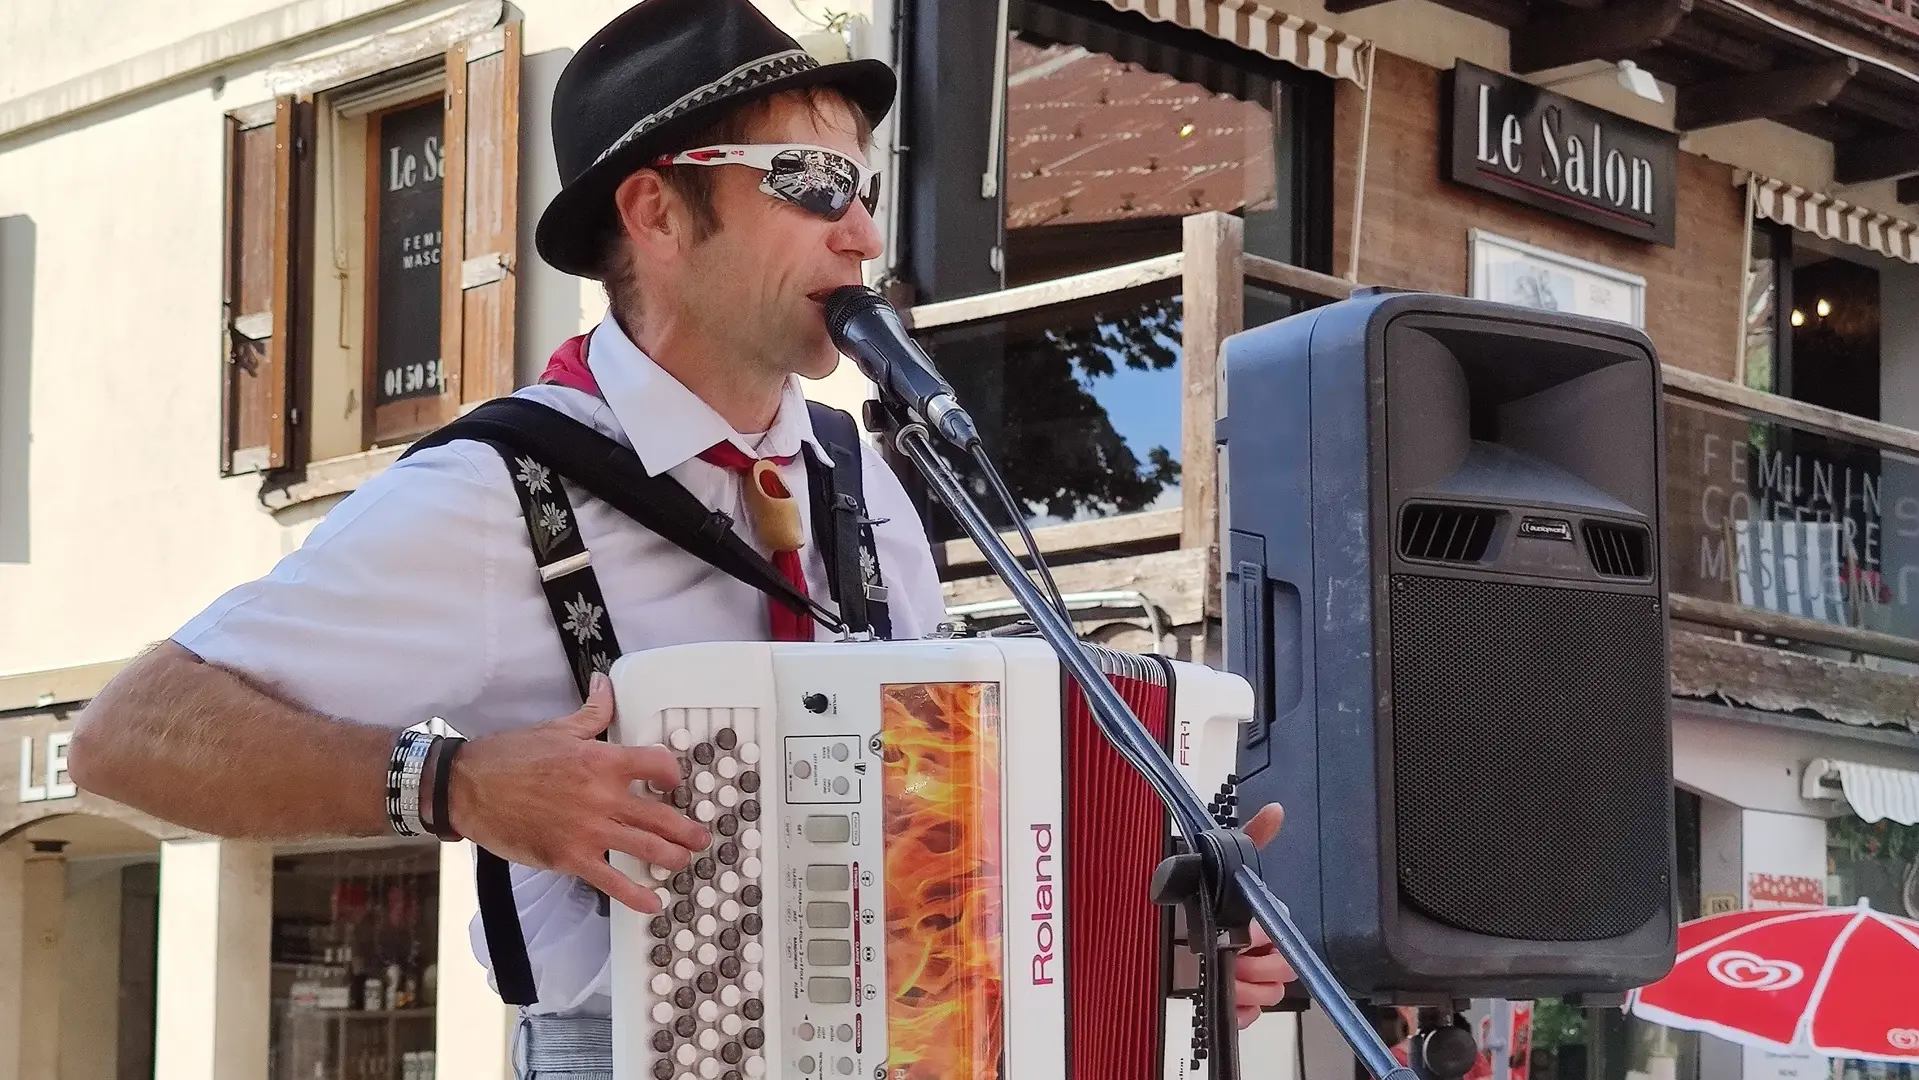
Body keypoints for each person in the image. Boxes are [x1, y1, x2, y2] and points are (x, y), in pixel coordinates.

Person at [68, 0, 1294, 1072]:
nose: (863, 235)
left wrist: (1145, 936)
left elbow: (937, 840)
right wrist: (453, 784)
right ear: (656, 209)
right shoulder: (496, 490)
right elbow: (127, 739)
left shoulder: (867, 482)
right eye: (811, 184)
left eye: (863, 189)